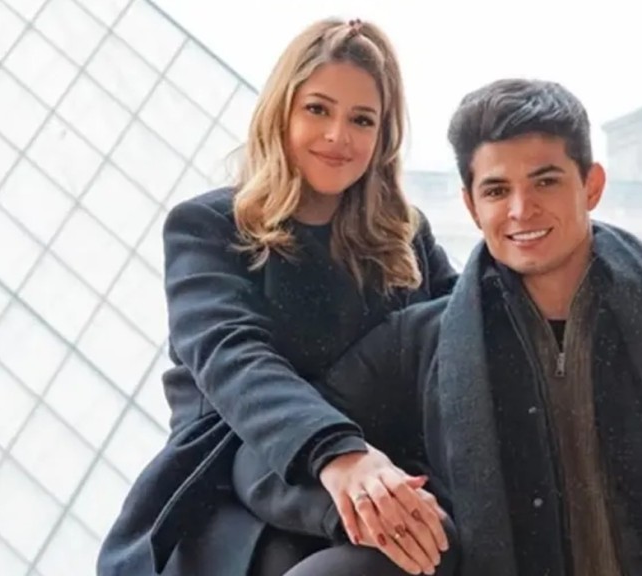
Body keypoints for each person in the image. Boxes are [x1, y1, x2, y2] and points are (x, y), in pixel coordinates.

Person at [232, 78, 642, 575]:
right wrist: (357, 489)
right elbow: (261, 461)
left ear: (591, 185)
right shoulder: (419, 348)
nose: (521, 209)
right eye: (496, 190)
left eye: (545, 181)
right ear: (471, 206)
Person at [97, 18, 459, 576]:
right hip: (237, 488)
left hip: (388, 485)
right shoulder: (208, 227)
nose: (338, 135)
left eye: (361, 119)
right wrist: (338, 452)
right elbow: (234, 357)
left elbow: (465, 337)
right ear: (280, 112)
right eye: (318, 109)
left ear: (382, 137)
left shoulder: (405, 237)